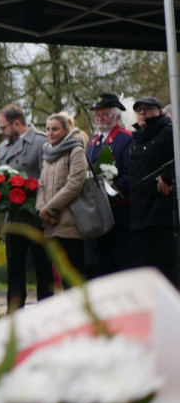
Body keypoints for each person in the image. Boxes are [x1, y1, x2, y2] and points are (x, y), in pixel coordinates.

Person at [0, 104, 53, 312]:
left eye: (3, 128)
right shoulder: (3, 147)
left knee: (43, 269)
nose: (1, 132)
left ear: (16, 124)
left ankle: (46, 312)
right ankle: (14, 314)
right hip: (14, 219)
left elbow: (47, 179)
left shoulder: (40, 143)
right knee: (14, 271)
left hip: (37, 217)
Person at [128, 96, 179, 288]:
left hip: (161, 212)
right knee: (147, 270)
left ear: (159, 111)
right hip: (140, 213)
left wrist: (168, 176)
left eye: (147, 109)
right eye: (138, 109)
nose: (142, 112)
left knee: (167, 268)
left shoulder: (169, 132)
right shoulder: (137, 138)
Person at [84, 93, 134, 277]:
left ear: (116, 116)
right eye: (97, 115)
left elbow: (130, 174)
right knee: (101, 261)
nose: (100, 118)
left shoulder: (126, 138)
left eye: (104, 114)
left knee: (122, 261)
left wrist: (111, 193)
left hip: (119, 210)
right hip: (99, 213)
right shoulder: (92, 141)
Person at [37, 113, 88, 286]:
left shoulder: (76, 150)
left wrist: (49, 208)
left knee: (73, 276)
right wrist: (40, 209)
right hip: (51, 224)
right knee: (60, 277)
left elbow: (74, 184)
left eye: (55, 129)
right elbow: (41, 185)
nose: (50, 133)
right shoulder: (48, 153)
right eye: (48, 129)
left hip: (70, 223)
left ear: (67, 130)